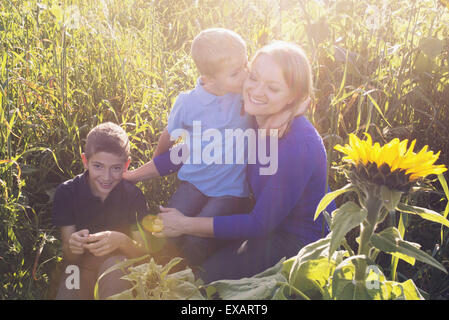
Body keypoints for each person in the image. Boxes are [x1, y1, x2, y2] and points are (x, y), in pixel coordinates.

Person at [151, 41, 335, 283]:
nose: (256, 91)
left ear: (293, 97)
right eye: (254, 77)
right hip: (260, 214)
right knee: (182, 253)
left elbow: (260, 224)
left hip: (297, 241)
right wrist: (148, 166)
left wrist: (185, 224)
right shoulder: (251, 110)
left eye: (273, 88)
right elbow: (203, 138)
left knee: (206, 281)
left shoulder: (299, 145)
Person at [123, 28, 254, 265]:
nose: (246, 74)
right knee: (166, 226)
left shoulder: (246, 95)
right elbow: (170, 135)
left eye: (247, 63)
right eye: (236, 72)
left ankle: (188, 278)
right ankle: (158, 270)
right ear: (209, 78)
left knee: (197, 239)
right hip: (194, 181)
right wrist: (159, 158)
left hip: (230, 189)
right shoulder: (188, 103)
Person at [52, 122, 149, 299]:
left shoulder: (133, 196)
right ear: (85, 161)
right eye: (98, 166)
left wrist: (121, 241)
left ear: (126, 165)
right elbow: (69, 254)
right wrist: (74, 245)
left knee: (114, 268)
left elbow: (142, 252)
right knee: (72, 279)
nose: (106, 177)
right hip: (80, 266)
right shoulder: (67, 192)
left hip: (119, 262)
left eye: (116, 168)